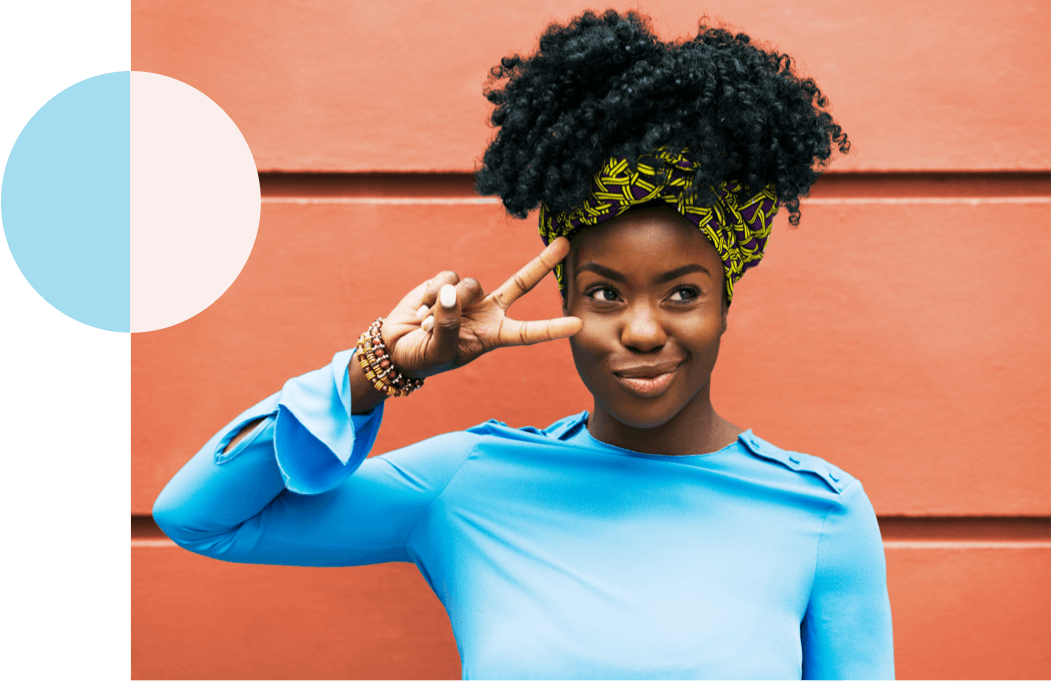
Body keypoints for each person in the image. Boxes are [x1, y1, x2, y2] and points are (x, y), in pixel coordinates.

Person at [153, 10, 894, 680]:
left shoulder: (821, 512)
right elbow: (200, 516)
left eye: (681, 293)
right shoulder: (470, 480)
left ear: (723, 305)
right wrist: (372, 368)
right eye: (604, 292)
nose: (641, 330)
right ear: (564, 298)